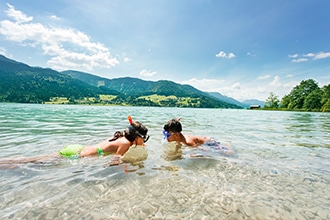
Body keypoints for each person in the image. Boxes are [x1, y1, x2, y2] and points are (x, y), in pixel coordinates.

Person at [0, 116, 149, 166]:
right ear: (136, 138)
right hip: (79, 155)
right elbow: (115, 159)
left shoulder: (121, 138)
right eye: (143, 139)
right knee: (34, 163)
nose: (144, 142)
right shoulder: (125, 143)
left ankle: (8, 162)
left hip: (78, 148)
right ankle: (9, 164)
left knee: (36, 160)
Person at [162, 118, 235, 156]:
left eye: (167, 135)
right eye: (165, 133)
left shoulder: (189, 142)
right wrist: (175, 152)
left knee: (229, 154)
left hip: (211, 142)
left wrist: (193, 156)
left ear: (176, 134)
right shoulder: (178, 137)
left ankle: (229, 144)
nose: (166, 137)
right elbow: (178, 145)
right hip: (206, 139)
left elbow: (203, 150)